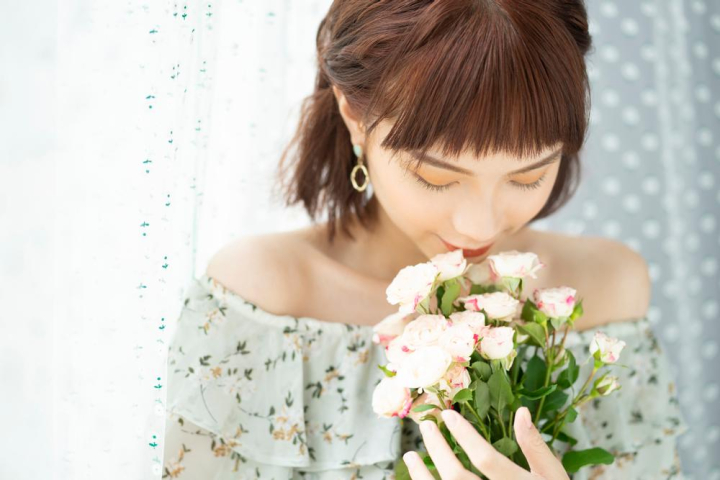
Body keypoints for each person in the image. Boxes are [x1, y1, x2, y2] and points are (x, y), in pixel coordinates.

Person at [162, 1, 688, 479]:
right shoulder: (266, 301)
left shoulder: (605, 291)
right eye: (437, 177)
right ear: (354, 115)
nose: (480, 226)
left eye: (528, 176)